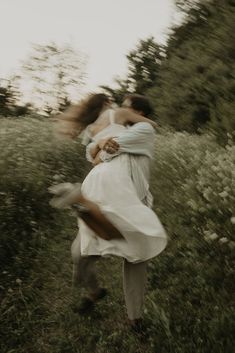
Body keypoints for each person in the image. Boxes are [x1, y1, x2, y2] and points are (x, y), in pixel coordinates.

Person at [50, 93, 167, 331]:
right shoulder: (119, 127)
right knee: (79, 254)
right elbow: (94, 154)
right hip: (104, 190)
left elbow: (102, 154)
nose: (116, 110)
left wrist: (100, 146)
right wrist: (98, 145)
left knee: (136, 256)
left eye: (125, 108)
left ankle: (135, 318)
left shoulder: (144, 131)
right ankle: (95, 291)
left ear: (139, 114)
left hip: (131, 198)